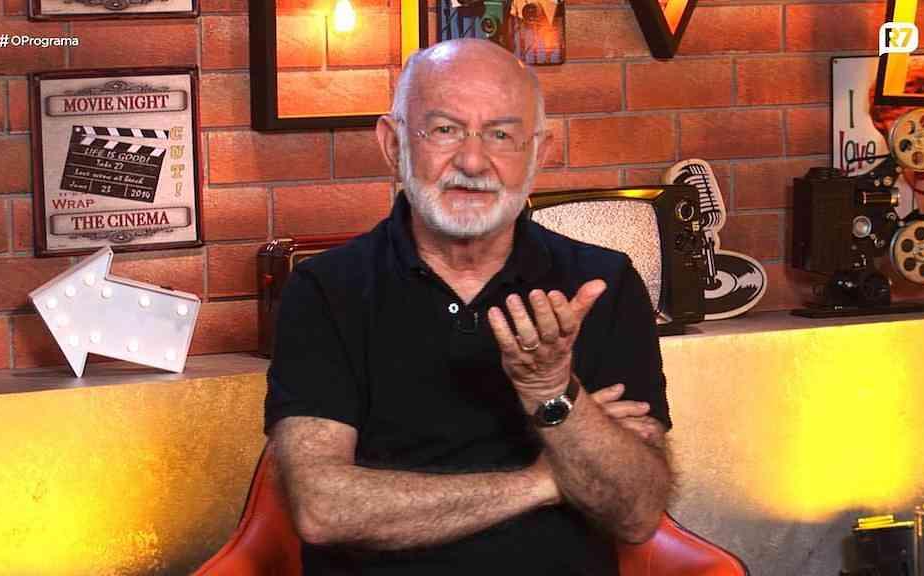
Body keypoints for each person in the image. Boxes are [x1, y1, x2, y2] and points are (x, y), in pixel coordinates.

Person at [265, 38, 673, 576]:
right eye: (444, 130)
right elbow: (323, 509)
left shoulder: (603, 284)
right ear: (393, 144)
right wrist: (546, 480)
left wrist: (552, 391)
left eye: (501, 134)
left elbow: (637, 512)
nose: (473, 161)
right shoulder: (324, 289)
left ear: (538, 153)